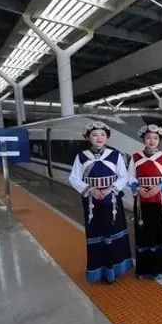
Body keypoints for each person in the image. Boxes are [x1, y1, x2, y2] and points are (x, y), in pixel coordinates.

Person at [68, 121, 133, 284]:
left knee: (113, 232)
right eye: (95, 135)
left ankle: (115, 269)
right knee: (97, 234)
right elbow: (73, 178)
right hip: (92, 202)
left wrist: (110, 189)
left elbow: (123, 176)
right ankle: (100, 271)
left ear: (107, 137)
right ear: (88, 137)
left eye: (103, 135)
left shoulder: (115, 155)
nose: (99, 138)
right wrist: (91, 189)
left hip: (112, 200)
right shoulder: (81, 156)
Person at [128, 124, 162, 279]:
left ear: (159, 140)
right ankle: (148, 269)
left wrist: (160, 188)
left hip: (161, 201)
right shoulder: (135, 157)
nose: (151, 141)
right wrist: (137, 188)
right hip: (142, 201)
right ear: (143, 139)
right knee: (146, 234)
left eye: (155, 138)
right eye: (148, 138)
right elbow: (130, 176)